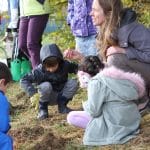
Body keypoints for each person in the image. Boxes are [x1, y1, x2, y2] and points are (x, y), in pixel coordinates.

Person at [67, 56, 145, 145]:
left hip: (115, 124)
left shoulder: (96, 82)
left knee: (72, 116)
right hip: (132, 122)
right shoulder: (118, 77)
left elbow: (94, 111)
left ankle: (100, 129)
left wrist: (85, 104)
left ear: (84, 74)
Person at [90, 0, 150, 108]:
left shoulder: (133, 29)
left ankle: (142, 100)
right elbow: (103, 64)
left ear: (109, 13)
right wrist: (80, 57)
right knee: (108, 65)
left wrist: (125, 51)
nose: (91, 13)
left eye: (94, 10)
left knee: (115, 60)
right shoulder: (105, 29)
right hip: (141, 73)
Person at [20, 44, 79, 120]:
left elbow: (77, 68)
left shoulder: (65, 65)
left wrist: (81, 73)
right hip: (47, 97)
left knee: (73, 82)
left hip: (62, 94)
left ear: (59, 61)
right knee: (46, 85)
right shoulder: (39, 71)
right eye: (48, 67)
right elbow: (24, 80)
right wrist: (33, 93)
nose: (51, 69)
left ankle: (62, 106)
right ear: (43, 64)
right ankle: (43, 110)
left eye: (53, 66)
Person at [18, 0, 50, 69]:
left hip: (39, 11)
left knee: (32, 44)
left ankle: (38, 72)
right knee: (22, 44)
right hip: (24, 14)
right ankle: (45, 66)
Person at [0, 62, 13, 149]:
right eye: (6, 86)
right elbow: (3, 125)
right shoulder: (1, 98)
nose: (6, 90)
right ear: (2, 82)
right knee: (6, 141)